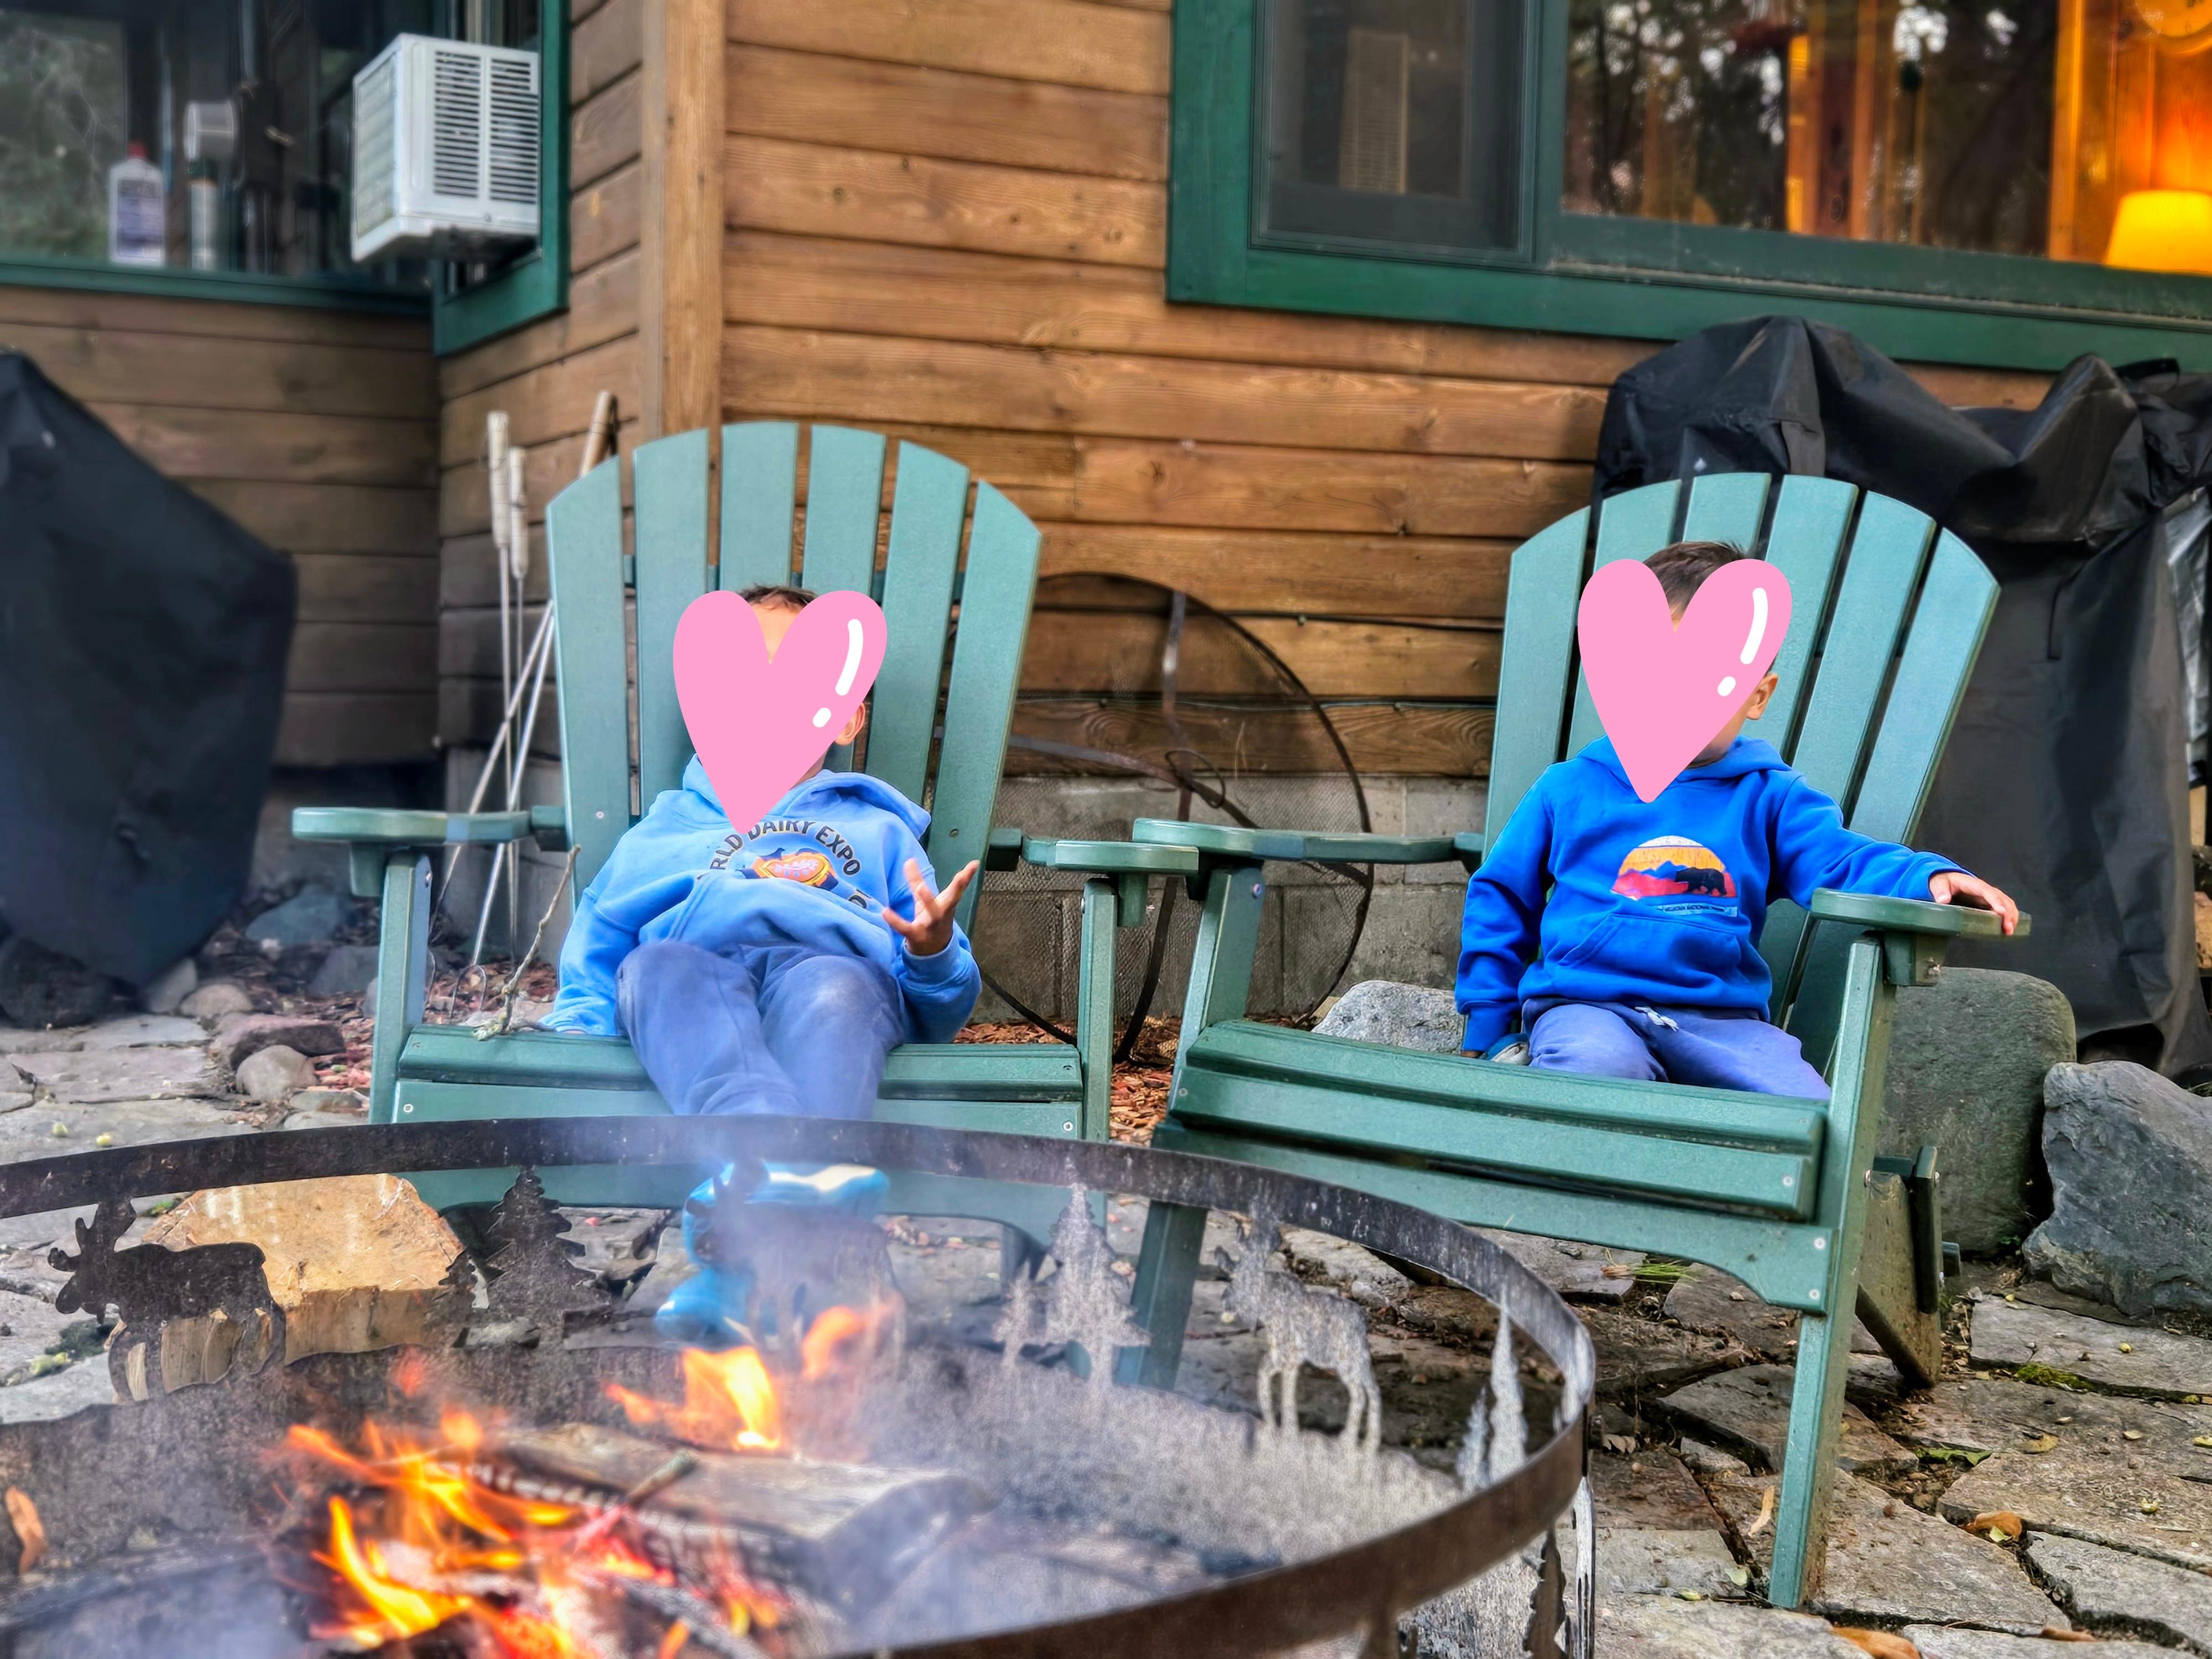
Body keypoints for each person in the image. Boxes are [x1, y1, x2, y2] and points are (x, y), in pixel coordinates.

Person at [541, 582, 982, 1340]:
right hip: (698, 972)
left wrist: (932, 948)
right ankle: (801, 1247)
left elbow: (941, 1007)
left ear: (847, 714)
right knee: (656, 971)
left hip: (830, 970)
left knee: (836, 994)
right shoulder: (671, 826)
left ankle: (736, 1273)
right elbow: (604, 928)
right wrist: (580, 1022)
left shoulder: (875, 829)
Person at [1457, 540, 2017, 1097]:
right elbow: (1502, 894)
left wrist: (1925, 876)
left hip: (1721, 1021)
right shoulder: (1569, 788)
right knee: (1589, 1073)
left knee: (1803, 1109)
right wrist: (1487, 1021)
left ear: (1756, 695)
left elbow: (1840, 858)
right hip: (1588, 1006)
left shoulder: (1767, 797)